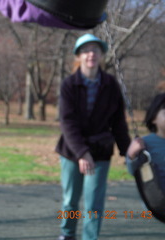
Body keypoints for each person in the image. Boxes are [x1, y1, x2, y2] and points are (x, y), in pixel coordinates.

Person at [55, 33, 131, 240]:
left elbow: (118, 123)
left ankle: (90, 238)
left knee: (94, 202)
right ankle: (67, 234)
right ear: (79, 56)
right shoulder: (69, 85)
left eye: (95, 50)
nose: (91, 54)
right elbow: (67, 123)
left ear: (101, 55)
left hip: (100, 150)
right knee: (71, 199)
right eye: (86, 50)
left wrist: (127, 152)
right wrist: (81, 153)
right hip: (72, 151)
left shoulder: (111, 85)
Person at [126, 93, 165, 189]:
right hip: (156, 198)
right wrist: (131, 155)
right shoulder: (144, 143)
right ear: (154, 118)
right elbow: (133, 171)